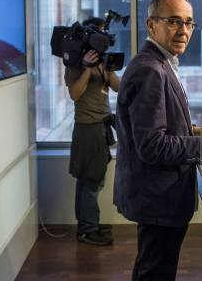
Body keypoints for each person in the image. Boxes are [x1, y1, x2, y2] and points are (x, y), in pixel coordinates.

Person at [113, 0, 202, 280]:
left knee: (151, 267)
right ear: (151, 25)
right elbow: (152, 146)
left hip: (157, 195)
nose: (184, 31)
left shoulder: (161, 64)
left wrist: (199, 130)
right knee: (155, 272)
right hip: (158, 197)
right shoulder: (150, 70)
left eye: (189, 23)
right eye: (174, 22)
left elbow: (159, 125)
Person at [65, 17, 120, 246]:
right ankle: (88, 229)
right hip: (87, 127)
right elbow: (75, 94)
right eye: (98, 34)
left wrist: (109, 69)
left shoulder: (100, 61)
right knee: (91, 180)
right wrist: (87, 69)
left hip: (102, 124)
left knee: (91, 179)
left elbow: (118, 87)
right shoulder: (75, 63)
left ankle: (88, 225)